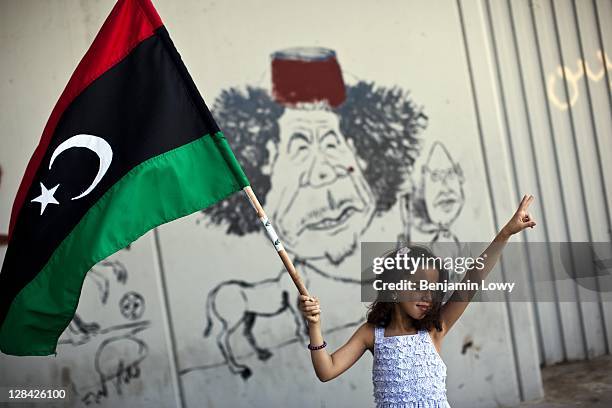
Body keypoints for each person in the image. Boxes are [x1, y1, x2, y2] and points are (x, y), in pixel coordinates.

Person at [299, 194, 536, 407]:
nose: (427, 296)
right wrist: (314, 325)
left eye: (433, 289)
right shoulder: (371, 334)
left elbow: (474, 277)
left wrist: (505, 233)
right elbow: (326, 370)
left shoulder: (435, 328)